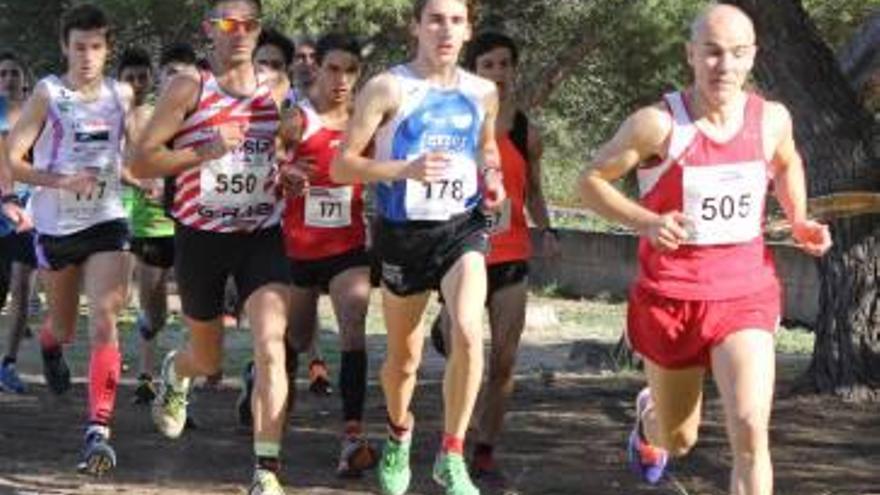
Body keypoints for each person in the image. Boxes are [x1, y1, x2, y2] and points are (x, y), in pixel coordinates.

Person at [578, 5, 832, 494]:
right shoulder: (657, 125)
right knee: (679, 438)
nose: (725, 66)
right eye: (713, 53)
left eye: (738, 54)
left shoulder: (771, 119)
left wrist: (798, 219)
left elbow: (786, 163)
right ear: (690, 54)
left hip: (745, 296)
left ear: (753, 56)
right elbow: (589, 181)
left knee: (752, 433)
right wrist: (648, 221)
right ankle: (649, 416)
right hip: (671, 299)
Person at [331, 0, 505, 493]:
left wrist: (491, 176)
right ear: (417, 27)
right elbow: (343, 167)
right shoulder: (389, 87)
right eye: (435, 20)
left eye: (455, 20)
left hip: (461, 228)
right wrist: (401, 170)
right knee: (403, 359)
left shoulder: (483, 92)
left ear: (468, 29)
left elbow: (486, 146)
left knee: (468, 331)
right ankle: (398, 431)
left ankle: (451, 453)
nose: (445, 30)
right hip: (402, 234)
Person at [130, 1, 292, 493]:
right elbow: (142, 161)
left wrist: (290, 169)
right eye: (227, 23)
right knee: (208, 360)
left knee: (270, 347)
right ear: (210, 30)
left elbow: (278, 150)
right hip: (201, 236)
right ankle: (176, 372)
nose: (238, 32)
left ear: (258, 29)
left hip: (262, 234)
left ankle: (267, 469)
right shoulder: (189, 88)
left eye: (247, 24)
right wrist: (205, 149)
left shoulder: (276, 89)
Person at [7, 3, 136, 475]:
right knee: (62, 326)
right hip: (57, 227)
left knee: (105, 316)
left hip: (108, 220)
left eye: (96, 46)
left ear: (107, 47)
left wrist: (154, 176)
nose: (87, 56)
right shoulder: (48, 92)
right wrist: (59, 182)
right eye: (79, 46)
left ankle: (98, 431)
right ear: (65, 46)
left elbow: (135, 153)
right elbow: (15, 159)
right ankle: (48, 344)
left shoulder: (122, 95)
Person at [428, 31, 560, 487]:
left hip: (510, 257)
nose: (498, 74)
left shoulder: (527, 131)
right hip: (462, 254)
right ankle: (454, 444)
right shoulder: (455, 125)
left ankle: (484, 447)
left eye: (505, 64)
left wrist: (548, 230)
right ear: (473, 71)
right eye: (489, 66)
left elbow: (536, 191)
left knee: (504, 360)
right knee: (462, 356)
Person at [278, 32, 377, 478]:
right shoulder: (298, 119)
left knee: (354, 323)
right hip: (298, 250)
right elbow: (269, 164)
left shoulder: (365, 121)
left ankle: (352, 435)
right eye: (334, 68)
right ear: (316, 67)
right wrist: (286, 171)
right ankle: (271, 418)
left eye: (350, 71)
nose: (341, 79)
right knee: (295, 341)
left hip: (348, 247)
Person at [121, 43, 199, 404]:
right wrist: (144, 183)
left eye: (182, 73)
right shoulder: (143, 118)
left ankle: (175, 384)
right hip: (150, 226)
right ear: (161, 78)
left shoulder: (200, 119)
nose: (175, 80)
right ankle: (147, 366)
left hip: (187, 225)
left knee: (192, 309)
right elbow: (121, 164)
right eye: (169, 73)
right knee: (154, 313)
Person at [0, 52, 39, 394]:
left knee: (22, 286)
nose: (8, 79)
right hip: (1, 211)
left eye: (14, 72)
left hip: (31, 212)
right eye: (2, 73)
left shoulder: (37, 111)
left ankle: (9, 364)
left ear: (24, 78)